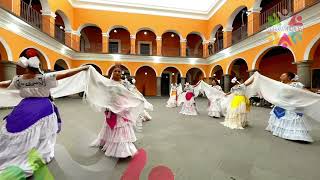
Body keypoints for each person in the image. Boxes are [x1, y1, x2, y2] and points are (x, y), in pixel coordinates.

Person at [0, 49, 89, 177]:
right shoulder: (44, 78)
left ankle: (15, 152)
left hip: (24, 106)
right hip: (42, 106)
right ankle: (38, 151)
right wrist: (80, 69)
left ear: (26, 68)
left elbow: (5, 84)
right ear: (37, 67)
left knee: (16, 126)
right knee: (44, 133)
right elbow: (64, 75)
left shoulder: (19, 80)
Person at [90, 66, 138, 158]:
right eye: (115, 71)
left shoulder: (124, 83)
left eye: (119, 71)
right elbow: (103, 91)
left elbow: (130, 93)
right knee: (112, 124)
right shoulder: (108, 83)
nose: (117, 72)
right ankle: (110, 141)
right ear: (112, 73)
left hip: (122, 107)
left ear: (121, 73)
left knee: (122, 125)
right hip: (112, 106)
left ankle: (124, 147)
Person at [266, 72, 313, 142]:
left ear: (289, 77)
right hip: (281, 104)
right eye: (281, 75)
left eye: (283, 75)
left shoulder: (296, 84)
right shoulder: (280, 84)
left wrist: (314, 95)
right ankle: (280, 131)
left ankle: (296, 135)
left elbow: (305, 91)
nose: (281, 76)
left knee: (293, 118)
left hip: (292, 105)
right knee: (280, 118)